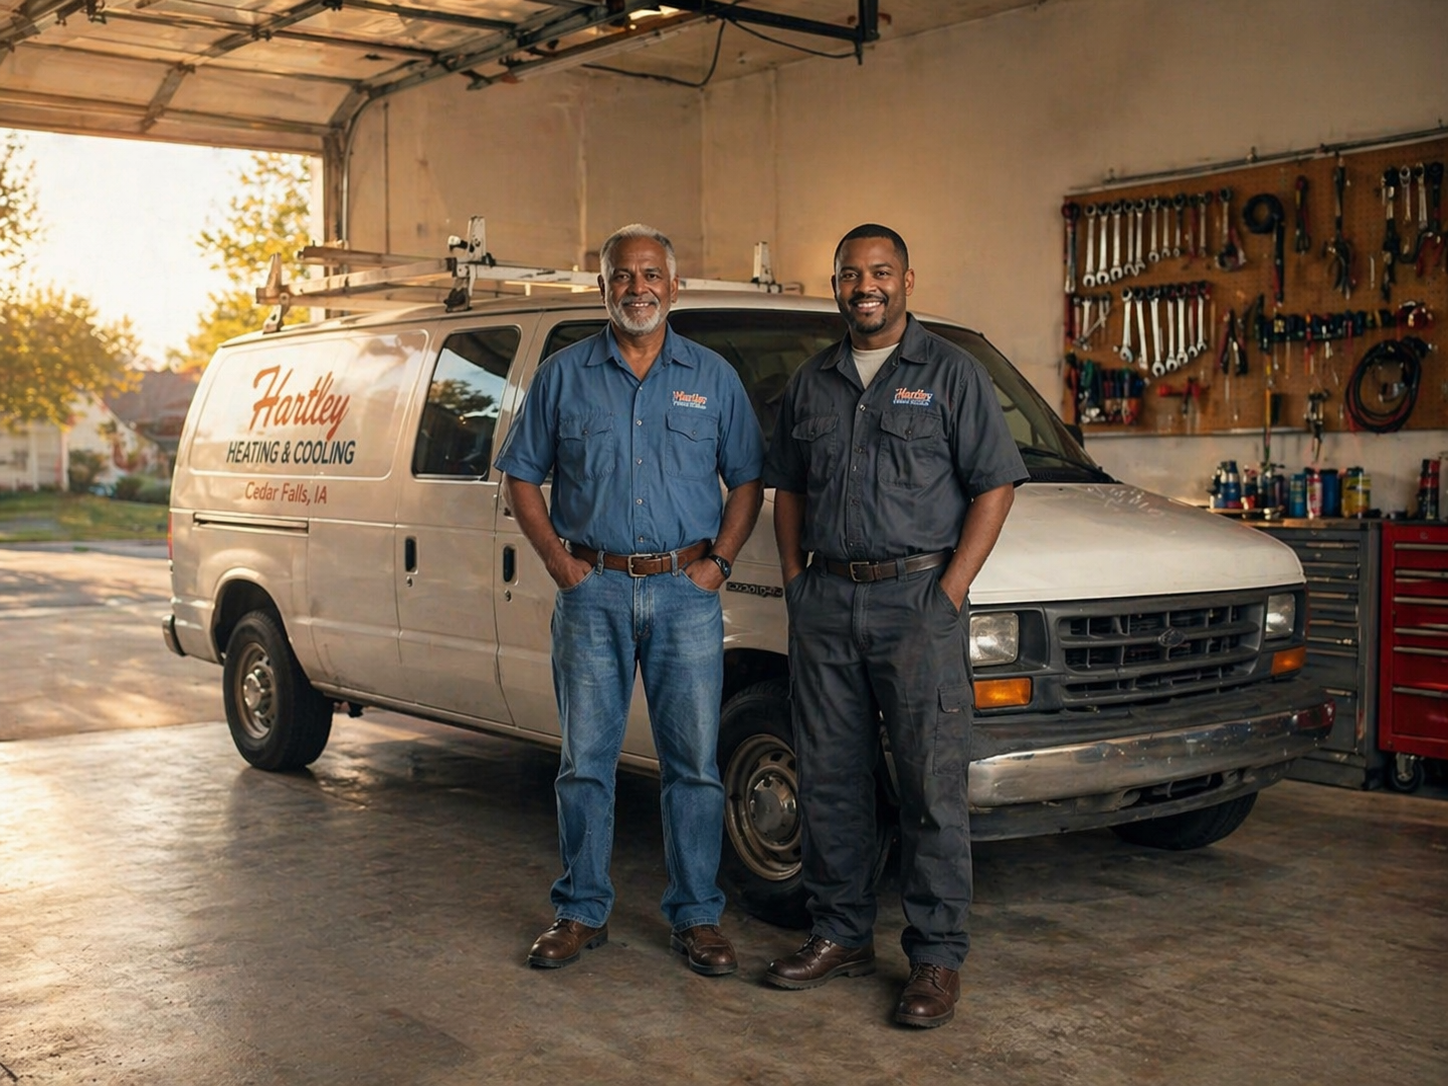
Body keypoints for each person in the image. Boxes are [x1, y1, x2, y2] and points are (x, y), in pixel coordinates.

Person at [761, 224, 1027, 1027]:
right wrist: (797, 584)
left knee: (928, 785)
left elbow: (994, 488)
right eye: (850, 273)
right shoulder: (813, 381)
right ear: (836, 284)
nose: (864, 285)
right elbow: (789, 492)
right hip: (828, 603)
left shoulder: (951, 374)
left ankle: (937, 959)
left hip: (916, 604)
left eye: (880, 272)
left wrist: (949, 591)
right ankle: (840, 934)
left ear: (909, 278)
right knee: (832, 779)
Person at [495, 223, 764, 976]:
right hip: (593, 590)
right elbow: (521, 473)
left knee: (694, 767)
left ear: (674, 288)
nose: (637, 287)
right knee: (585, 762)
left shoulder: (712, 378)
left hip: (686, 594)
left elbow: (748, 480)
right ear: (602, 287)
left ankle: (698, 916)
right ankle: (581, 910)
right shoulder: (562, 376)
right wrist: (558, 562)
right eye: (621, 276)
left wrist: (720, 563)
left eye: (651, 275)